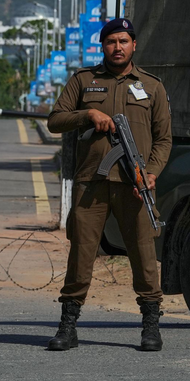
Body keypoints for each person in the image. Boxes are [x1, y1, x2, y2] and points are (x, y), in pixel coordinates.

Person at [47, 18, 172, 352]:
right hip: (92, 182)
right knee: (81, 254)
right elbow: (55, 120)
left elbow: (163, 139)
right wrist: (87, 115)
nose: (118, 47)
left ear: (133, 45)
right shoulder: (84, 80)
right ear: (102, 46)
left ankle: (150, 326)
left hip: (135, 183)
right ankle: (68, 326)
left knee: (144, 255)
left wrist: (151, 173)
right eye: (111, 41)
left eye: (123, 41)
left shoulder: (152, 86)